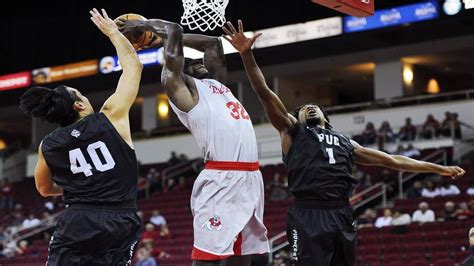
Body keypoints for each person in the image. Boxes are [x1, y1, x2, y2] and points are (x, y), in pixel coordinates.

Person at [221, 20, 465, 266]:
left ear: (326, 118)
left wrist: (438, 168)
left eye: (314, 107)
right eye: (305, 109)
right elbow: (264, 91)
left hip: (341, 211)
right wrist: (247, 55)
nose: (310, 108)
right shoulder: (292, 131)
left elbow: (392, 160)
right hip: (308, 212)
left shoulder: (346, 142)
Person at [118, 18, 269, 265]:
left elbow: (213, 45)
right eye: (191, 61)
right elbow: (175, 31)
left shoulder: (217, 85)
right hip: (221, 179)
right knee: (207, 258)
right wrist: (149, 28)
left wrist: (161, 37)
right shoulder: (179, 87)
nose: (200, 62)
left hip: (251, 177)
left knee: (244, 255)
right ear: (179, 69)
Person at [19, 9, 143, 265]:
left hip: (78, 220)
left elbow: (43, 189)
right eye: (80, 93)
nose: (85, 96)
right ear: (79, 105)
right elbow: (133, 66)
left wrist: (79, 185)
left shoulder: (48, 145)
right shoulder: (112, 116)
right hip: (122, 219)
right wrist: (112, 32)